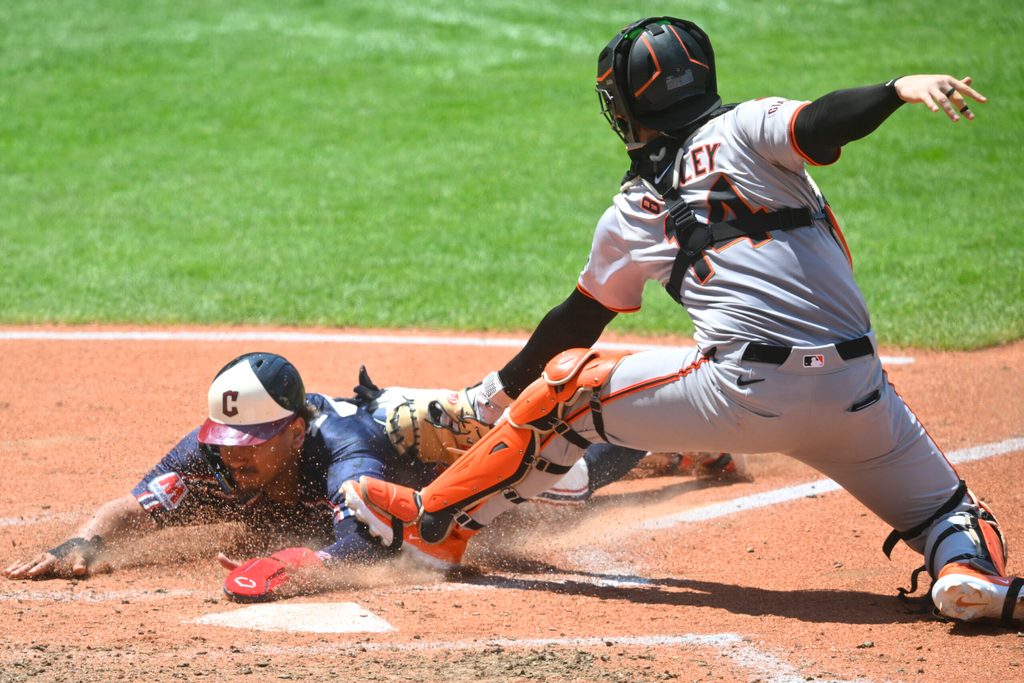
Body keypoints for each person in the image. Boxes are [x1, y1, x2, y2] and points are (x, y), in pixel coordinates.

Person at [343, 16, 1022, 626]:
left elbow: (575, 323)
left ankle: (435, 524)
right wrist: (897, 87)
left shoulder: (633, 208)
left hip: (741, 395)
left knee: (568, 388)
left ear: (628, 106)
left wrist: (489, 396)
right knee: (946, 511)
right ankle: (967, 569)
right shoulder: (752, 126)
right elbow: (821, 123)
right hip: (861, 394)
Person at [2, 351, 671, 601]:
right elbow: (139, 505)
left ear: (294, 429)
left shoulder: (342, 447)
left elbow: (369, 539)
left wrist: (297, 563)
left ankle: (679, 439)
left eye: (253, 442)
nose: (234, 455)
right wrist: (84, 543)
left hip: (455, 471)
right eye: (226, 440)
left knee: (571, 478)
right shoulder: (212, 451)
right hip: (390, 438)